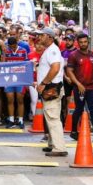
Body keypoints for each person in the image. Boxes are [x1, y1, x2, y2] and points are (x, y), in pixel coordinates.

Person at [66, 33, 93, 144]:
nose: (83, 44)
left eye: (85, 42)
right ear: (78, 43)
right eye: (81, 42)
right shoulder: (73, 55)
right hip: (79, 88)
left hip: (91, 88)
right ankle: (74, 131)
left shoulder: (92, 55)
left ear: (88, 42)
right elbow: (69, 71)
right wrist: (78, 84)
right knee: (78, 110)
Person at [35, 27, 67, 157]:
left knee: (52, 117)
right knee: (51, 116)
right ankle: (52, 144)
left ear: (49, 37)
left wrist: (43, 83)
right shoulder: (49, 50)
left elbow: (55, 68)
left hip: (51, 87)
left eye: (41, 35)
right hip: (51, 86)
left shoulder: (52, 50)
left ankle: (59, 147)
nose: (39, 38)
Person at [4, 37, 29, 129]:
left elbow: (26, 66)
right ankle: (11, 120)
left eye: (14, 46)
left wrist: (26, 82)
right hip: (9, 79)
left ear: (17, 43)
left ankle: (20, 120)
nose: (12, 48)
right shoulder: (6, 51)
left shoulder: (23, 51)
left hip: (20, 79)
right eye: (11, 46)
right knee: (10, 99)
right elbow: (3, 65)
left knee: (20, 100)